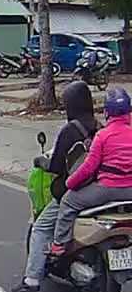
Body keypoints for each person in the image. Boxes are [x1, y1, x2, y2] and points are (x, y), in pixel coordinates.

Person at [14, 81, 98, 292]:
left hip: (74, 191)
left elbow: (57, 166)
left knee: (41, 227)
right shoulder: (100, 127)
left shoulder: (70, 130)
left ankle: (32, 280)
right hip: (98, 191)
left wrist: (41, 162)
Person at [50, 86, 132, 255]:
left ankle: (59, 243)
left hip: (107, 189)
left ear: (107, 112)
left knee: (68, 202)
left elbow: (88, 167)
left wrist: (70, 183)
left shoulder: (102, 136)